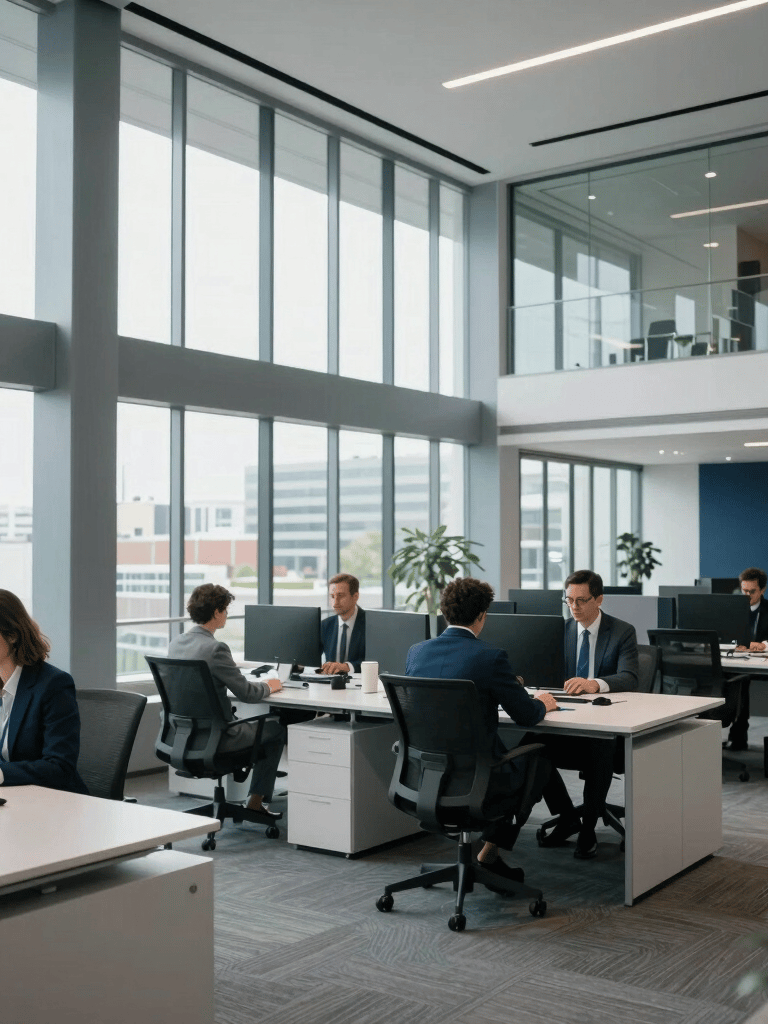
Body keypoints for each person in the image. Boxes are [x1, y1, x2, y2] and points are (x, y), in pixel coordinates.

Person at [405, 577, 557, 890]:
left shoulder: (416, 653)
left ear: (445, 613)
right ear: (482, 616)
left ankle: (488, 852)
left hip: (427, 778)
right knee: (539, 757)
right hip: (478, 782)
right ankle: (489, 852)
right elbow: (526, 715)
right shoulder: (490, 657)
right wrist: (542, 702)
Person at [533, 569, 638, 860]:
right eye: (569, 600)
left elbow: (630, 677)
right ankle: (567, 817)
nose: (575, 607)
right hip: (565, 719)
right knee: (532, 746)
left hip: (606, 726)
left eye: (582, 600)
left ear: (599, 599)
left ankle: (589, 827)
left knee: (599, 748)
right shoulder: (560, 630)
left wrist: (594, 684)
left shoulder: (621, 631)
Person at [168, 584, 285, 818]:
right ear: (216, 613)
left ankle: (252, 797)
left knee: (251, 721)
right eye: (225, 609)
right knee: (275, 728)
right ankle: (256, 799)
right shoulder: (215, 649)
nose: (227, 614)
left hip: (182, 736)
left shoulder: (176, 643)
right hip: (218, 738)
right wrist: (270, 685)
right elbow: (247, 694)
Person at [0, 589, 87, 793]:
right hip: (14, 798)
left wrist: (2, 774)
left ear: (12, 636)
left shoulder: (53, 685)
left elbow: (59, 767)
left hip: (54, 803)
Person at [727, 567, 768, 750]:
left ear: (763, 590)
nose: (748, 595)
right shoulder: (732, 609)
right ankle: (737, 735)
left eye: (752, 591)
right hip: (737, 661)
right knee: (736, 680)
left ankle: (738, 734)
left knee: (741, 682)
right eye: (744, 591)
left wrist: (764, 645)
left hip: (761, 664)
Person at [320, 573, 366, 674]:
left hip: (361, 685)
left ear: (355, 597)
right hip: (330, 685)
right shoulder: (325, 625)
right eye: (332, 596)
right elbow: (310, 657)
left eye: (340, 596)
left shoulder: (371, 624)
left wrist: (347, 667)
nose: (335, 602)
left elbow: (377, 662)